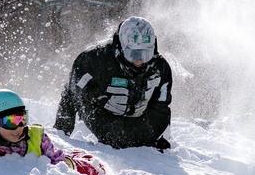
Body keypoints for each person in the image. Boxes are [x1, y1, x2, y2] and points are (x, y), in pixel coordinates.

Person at [54, 16, 173, 150]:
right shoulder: (93, 60)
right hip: (102, 115)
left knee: (143, 143)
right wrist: (62, 134)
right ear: (122, 46)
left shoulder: (160, 67)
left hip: (139, 117)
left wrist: (160, 139)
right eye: (133, 54)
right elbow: (72, 95)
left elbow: (161, 105)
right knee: (115, 141)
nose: (140, 60)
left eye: (146, 54)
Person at [0, 90, 105, 175]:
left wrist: (82, 168)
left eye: (22, 119)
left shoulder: (35, 137)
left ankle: (76, 156)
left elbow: (60, 165)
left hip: (66, 160)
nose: (19, 127)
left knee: (96, 169)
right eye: (10, 122)